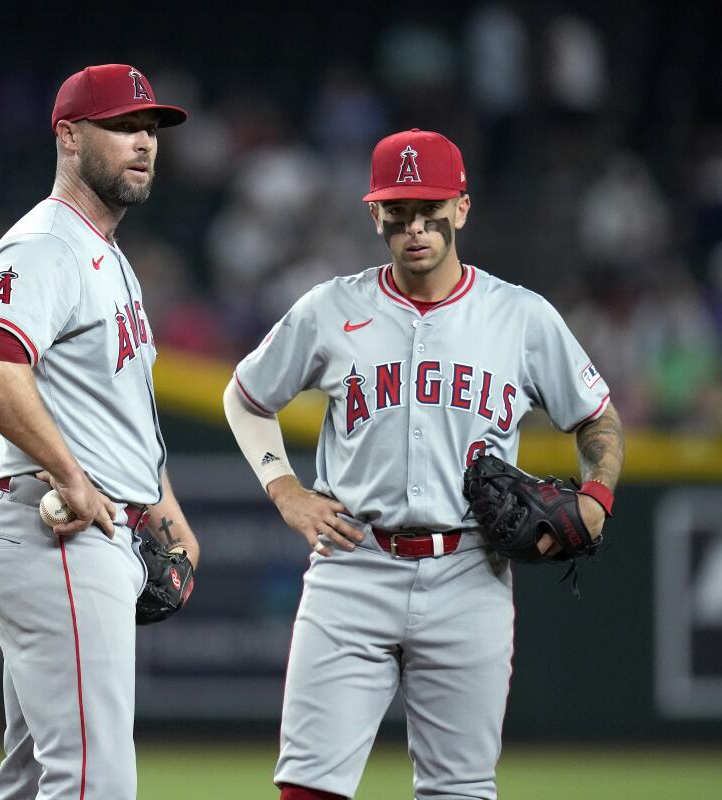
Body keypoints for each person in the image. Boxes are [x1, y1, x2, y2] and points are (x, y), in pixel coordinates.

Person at [222, 129, 624, 800]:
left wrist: (597, 496)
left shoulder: (519, 316)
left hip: (470, 571)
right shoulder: (330, 308)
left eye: (429, 208)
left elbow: (597, 419)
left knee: (459, 790)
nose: (414, 226)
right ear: (374, 213)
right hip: (354, 567)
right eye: (397, 210)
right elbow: (245, 397)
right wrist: (284, 487)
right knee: (307, 787)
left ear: (461, 208)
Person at [0, 63, 201, 799]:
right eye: (123, 127)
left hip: (94, 532)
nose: (144, 143)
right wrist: (71, 475)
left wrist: (166, 511)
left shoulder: (107, 255)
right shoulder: (47, 245)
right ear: (68, 135)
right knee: (94, 782)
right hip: (55, 532)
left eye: (150, 130)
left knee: (34, 780)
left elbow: (117, 408)